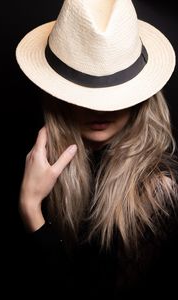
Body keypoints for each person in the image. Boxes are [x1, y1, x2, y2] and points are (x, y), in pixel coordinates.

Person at [16, 0, 178, 298]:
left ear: (141, 97)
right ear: (59, 97)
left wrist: (31, 209)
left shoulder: (159, 189)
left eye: (112, 95)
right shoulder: (44, 164)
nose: (98, 110)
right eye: (85, 93)